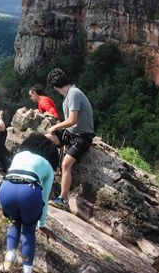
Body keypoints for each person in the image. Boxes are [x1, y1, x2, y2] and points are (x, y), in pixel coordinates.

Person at [0, 133, 58, 273]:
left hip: (6, 189)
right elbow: (44, 198)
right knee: (29, 231)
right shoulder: (48, 166)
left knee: (14, 221)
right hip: (29, 193)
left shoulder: (19, 155)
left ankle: (9, 259)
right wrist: (42, 225)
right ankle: (27, 270)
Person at [45, 68, 95, 211]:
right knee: (47, 139)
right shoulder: (70, 94)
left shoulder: (73, 94)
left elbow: (72, 120)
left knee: (66, 165)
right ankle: (49, 168)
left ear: (54, 87)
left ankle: (63, 199)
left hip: (83, 137)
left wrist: (56, 126)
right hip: (72, 133)